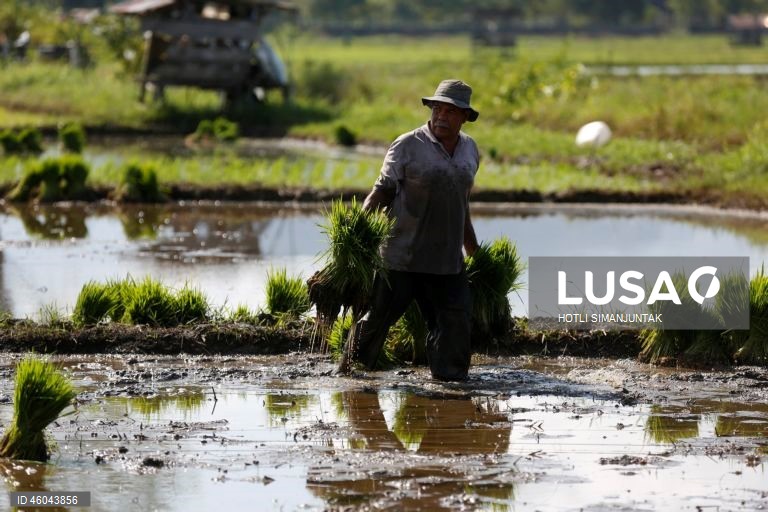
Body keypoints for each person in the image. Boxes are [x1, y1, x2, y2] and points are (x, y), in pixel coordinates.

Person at [351, 79, 481, 381]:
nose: (441, 117)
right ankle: (351, 374)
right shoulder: (408, 145)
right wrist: (357, 234)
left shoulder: (470, 151)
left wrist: (474, 253)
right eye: (437, 109)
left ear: (465, 117)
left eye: (450, 112)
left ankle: (449, 386)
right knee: (377, 321)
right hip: (402, 259)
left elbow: (461, 205)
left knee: (456, 325)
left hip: (447, 263)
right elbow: (381, 192)